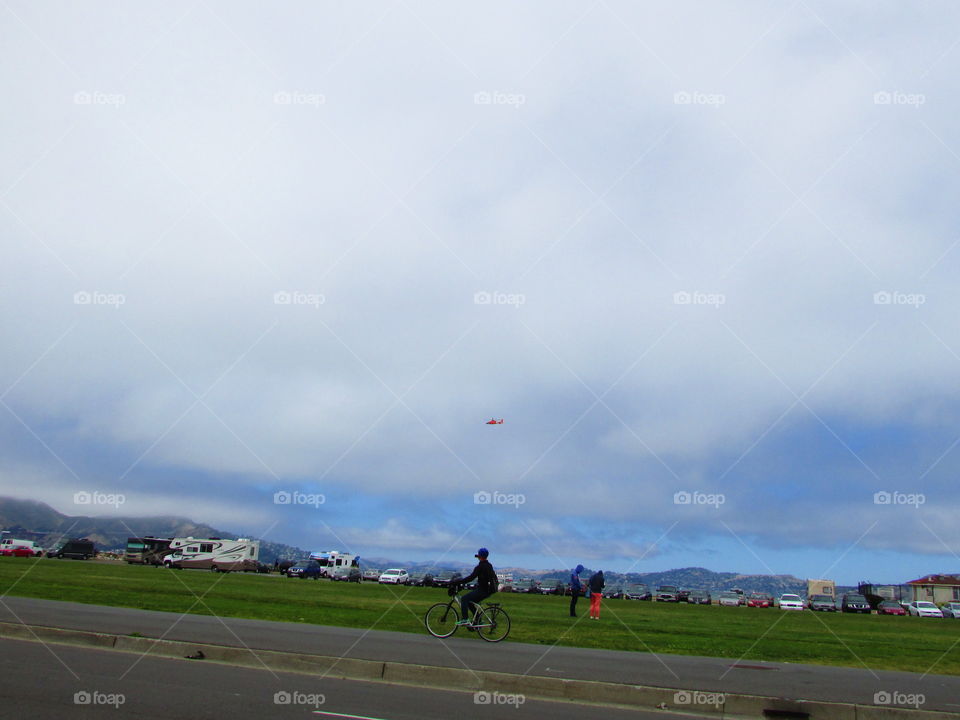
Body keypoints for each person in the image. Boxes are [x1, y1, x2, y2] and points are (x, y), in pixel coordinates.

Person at [454, 548, 498, 625]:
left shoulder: (480, 567)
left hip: (483, 590)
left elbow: (471, 577)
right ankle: (478, 620)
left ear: (479, 556)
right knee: (470, 603)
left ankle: (465, 619)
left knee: (464, 599)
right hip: (489, 590)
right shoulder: (489, 565)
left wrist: (458, 582)